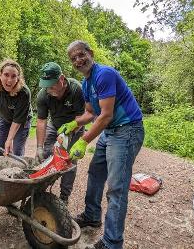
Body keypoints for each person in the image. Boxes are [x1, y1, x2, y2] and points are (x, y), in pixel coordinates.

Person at [59, 40, 144, 249]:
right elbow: (90, 113)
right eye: (73, 59)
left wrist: (83, 141)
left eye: (81, 55)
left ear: (91, 53)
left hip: (127, 130)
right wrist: (74, 123)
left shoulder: (104, 74)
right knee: (95, 173)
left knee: (116, 188)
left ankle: (112, 242)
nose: (78, 60)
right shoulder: (87, 83)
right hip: (110, 131)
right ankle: (92, 216)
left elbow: (106, 115)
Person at [35, 62, 85, 203]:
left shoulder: (76, 89)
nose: (48, 89)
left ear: (62, 79)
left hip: (75, 125)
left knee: (69, 159)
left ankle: (64, 197)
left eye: (52, 85)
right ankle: (40, 190)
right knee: (44, 154)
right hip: (55, 124)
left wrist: (67, 133)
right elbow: (41, 121)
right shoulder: (43, 95)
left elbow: (81, 117)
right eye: (46, 85)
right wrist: (39, 147)